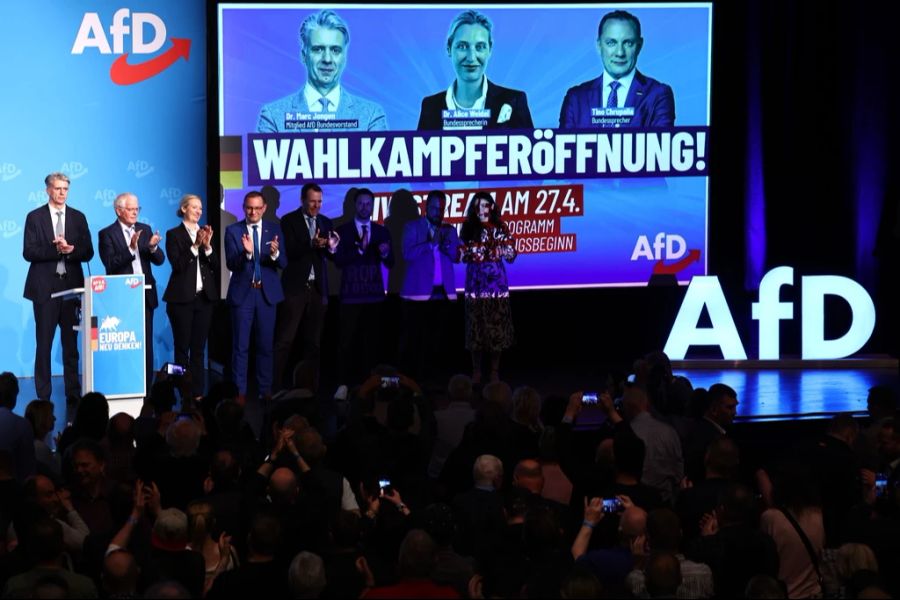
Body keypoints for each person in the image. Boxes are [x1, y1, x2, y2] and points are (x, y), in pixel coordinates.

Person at [23, 172, 94, 404]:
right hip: (45, 289)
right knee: (44, 344)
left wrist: (71, 250)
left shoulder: (78, 217)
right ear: (48, 190)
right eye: (57, 188)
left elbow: (88, 252)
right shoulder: (34, 217)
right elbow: (28, 252)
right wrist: (56, 250)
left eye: (65, 189)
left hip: (72, 289)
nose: (62, 193)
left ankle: (73, 392)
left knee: (71, 344)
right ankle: (44, 396)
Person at [257, 9, 387, 133]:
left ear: (344, 57)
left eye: (335, 50)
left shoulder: (371, 116)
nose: (327, 59)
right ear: (304, 55)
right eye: (318, 49)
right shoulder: (273, 117)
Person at [418, 9, 533, 131]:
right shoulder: (430, 107)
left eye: (480, 47)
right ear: (448, 48)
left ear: (490, 49)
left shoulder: (514, 101)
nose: (471, 58)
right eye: (462, 46)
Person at [273, 182, 340, 391]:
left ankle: (312, 386)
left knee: (314, 342)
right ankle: (273, 387)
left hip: (318, 289)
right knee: (285, 340)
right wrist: (311, 244)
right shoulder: (289, 221)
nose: (316, 206)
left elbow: (328, 255)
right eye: (312, 201)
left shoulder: (326, 222)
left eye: (319, 202)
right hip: (295, 288)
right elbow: (289, 251)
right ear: (302, 200)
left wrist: (332, 248)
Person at [559, 10, 675, 129]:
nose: (620, 53)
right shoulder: (576, 97)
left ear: (639, 46)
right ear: (599, 46)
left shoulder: (658, 94)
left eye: (628, 43)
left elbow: (661, 144)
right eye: (611, 43)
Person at [98, 192, 166, 393]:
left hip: (145, 295)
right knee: (125, 343)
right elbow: (110, 264)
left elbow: (159, 260)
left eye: (137, 209)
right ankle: (124, 386)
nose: (135, 212)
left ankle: (146, 389)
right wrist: (130, 249)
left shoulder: (145, 229)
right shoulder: (107, 234)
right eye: (131, 209)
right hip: (122, 297)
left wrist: (152, 247)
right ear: (118, 210)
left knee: (145, 344)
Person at [224, 191, 287, 404]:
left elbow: (283, 262)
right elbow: (231, 263)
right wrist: (248, 254)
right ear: (243, 207)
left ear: (264, 208)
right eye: (249, 208)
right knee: (240, 347)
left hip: (267, 295)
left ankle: (265, 389)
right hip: (243, 295)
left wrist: (276, 254)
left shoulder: (275, 229)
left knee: (265, 346)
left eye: (257, 208)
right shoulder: (233, 230)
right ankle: (239, 392)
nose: (253, 212)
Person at [334, 188, 394, 383]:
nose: (364, 207)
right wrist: (359, 252)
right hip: (350, 296)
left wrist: (385, 253)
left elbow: (391, 262)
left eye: (368, 204)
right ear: (354, 205)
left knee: (372, 344)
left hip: (374, 296)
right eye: (361, 203)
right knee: (346, 343)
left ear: (373, 206)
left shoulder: (381, 231)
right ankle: (344, 384)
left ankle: (371, 384)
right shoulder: (342, 231)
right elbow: (339, 261)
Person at [400, 190, 460, 381]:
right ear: (426, 207)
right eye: (434, 207)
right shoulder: (412, 227)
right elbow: (407, 254)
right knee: (415, 342)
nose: (438, 212)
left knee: (438, 343)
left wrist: (454, 248)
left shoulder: (449, 230)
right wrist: (430, 244)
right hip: (417, 295)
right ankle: (413, 382)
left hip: (442, 294)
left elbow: (456, 257)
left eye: (441, 208)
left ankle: (434, 382)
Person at [163, 194, 219, 400]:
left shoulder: (205, 233)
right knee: (181, 348)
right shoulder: (174, 234)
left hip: (204, 299)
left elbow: (215, 266)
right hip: (181, 301)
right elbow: (177, 265)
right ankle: (179, 391)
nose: (199, 211)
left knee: (198, 349)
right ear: (184, 209)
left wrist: (207, 246)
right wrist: (194, 246)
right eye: (194, 207)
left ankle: (197, 393)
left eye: (201, 208)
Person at [457, 191, 517, 384]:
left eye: (484, 205)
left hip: (496, 284)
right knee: (475, 326)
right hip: (475, 283)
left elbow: (511, 253)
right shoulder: (467, 227)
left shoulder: (501, 226)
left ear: (491, 206)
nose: (480, 209)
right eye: (476, 205)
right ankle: (476, 371)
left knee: (496, 326)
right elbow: (462, 254)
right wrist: (490, 251)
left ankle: (494, 371)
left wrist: (482, 251)